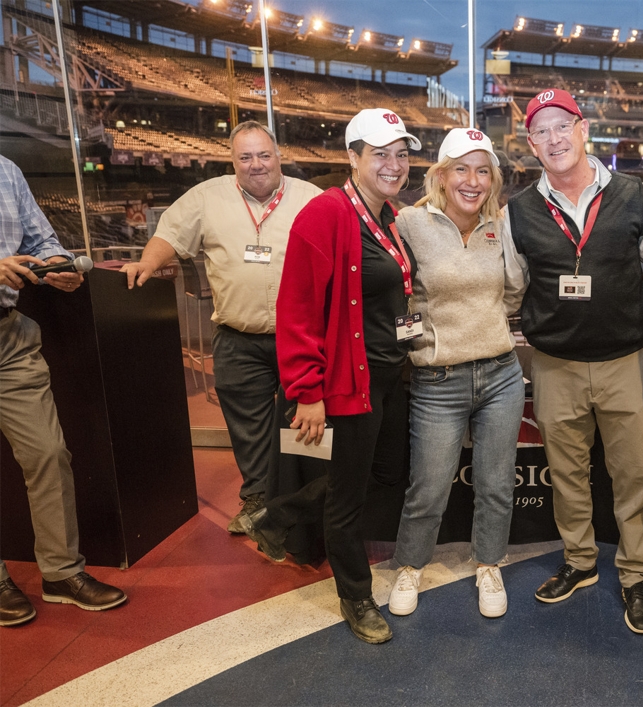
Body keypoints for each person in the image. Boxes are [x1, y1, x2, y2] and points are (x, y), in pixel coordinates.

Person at [244, 108, 420, 644]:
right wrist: (307, 393)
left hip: (392, 375)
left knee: (381, 476)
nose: (393, 165)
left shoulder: (389, 215)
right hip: (350, 382)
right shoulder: (326, 214)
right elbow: (296, 310)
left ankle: (281, 514)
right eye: (380, 154)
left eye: (402, 154)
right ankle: (355, 596)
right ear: (353, 157)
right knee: (348, 496)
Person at [503, 89, 643, 634]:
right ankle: (581, 562)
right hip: (553, 364)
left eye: (562, 125)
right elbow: (510, 286)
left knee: (632, 474)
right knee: (568, 474)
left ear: (582, 128)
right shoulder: (518, 210)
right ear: (531, 143)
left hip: (624, 360)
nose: (554, 138)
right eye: (541, 131)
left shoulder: (635, 195)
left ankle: (636, 573)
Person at [121, 122, 322, 533]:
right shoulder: (207, 196)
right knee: (247, 426)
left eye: (264, 155)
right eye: (245, 157)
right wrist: (147, 263)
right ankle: (257, 500)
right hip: (237, 337)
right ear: (233, 162)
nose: (256, 164)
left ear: (279, 156)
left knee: (303, 424)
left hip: (299, 339)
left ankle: (303, 505)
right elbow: (170, 235)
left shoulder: (311, 198)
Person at [386, 128, 524, 619]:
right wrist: (425, 341)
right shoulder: (408, 222)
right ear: (440, 176)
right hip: (438, 381)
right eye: (461, 169)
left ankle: (489, 563)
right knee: (428, 485)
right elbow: (394, 291)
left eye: (483, 170)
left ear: (493, 179)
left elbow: (513, 293)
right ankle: (410, 565)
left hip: (501, 375)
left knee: (495, 483)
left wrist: (480, 328)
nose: (472, 180)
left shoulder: (499, 227)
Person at [0, 155, 126, 627]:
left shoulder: (7, 170)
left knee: (49, 454)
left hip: (9, 338)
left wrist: (58, 267)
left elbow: (41, 240)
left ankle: (61, 573)